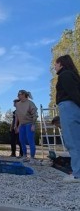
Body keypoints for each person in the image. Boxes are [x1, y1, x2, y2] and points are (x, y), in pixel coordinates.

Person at [54, 54, 80, 183]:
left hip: (69, 107)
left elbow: (73, 93)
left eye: (56, 64)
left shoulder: (65, 75)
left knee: (72, 141)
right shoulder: (73, 75)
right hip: (73, 107)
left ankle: (77, 174)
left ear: (61, 64)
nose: (54, 66)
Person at [14, 90, 38, 163]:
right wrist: (16, 126)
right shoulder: (18, 104)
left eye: (19, 94)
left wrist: (33, 125)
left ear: (24, 95)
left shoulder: (30, 103)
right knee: (21, 140)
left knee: (30, 140)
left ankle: (32, 157)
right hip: (22, 124)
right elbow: (17, 115)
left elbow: (35, 115)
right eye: (18, 94)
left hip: (29, 124)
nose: (18, 96)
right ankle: (24, 156)